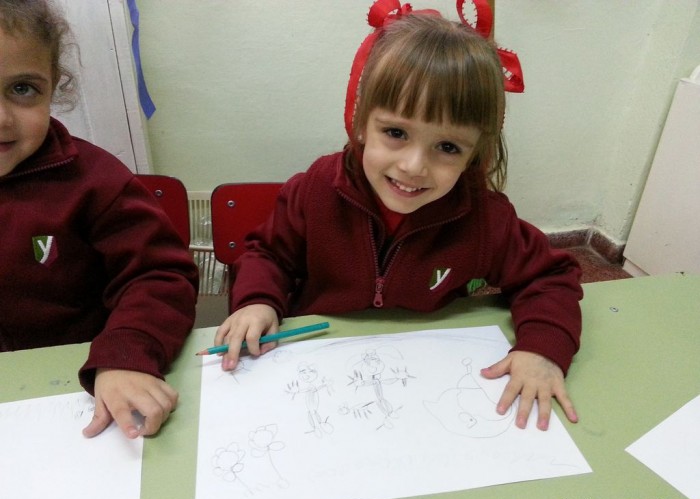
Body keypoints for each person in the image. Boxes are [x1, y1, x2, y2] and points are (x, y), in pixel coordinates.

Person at [215, 0, 583, 432]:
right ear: (360, 122)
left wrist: (542, 348)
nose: (413, 166)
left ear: (474, 154)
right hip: (316, 370)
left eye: (447, 147)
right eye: (395, 133)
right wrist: (258, 300)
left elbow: (549, 278)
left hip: (424, 382)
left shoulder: (485, 218)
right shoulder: (315, 189)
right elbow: (268, 255)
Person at [0, 0, 198, 439]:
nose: (1, 118)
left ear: (54, 85)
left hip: (87, 393)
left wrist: (126, 354)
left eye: (22, 89)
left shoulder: (96, 182)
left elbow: (160, 275)